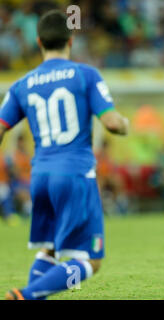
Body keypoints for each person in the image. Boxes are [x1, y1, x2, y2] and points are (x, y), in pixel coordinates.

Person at [0, 10, 129, 300]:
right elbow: (110, 122)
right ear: (70, 40)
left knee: (51, 248)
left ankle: (31, 295)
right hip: (75, 174)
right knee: (90, 261)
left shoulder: (21, 85)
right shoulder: (85, 75)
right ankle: (27, 296)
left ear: (38, 41)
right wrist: (124, 124)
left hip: (40, 176)